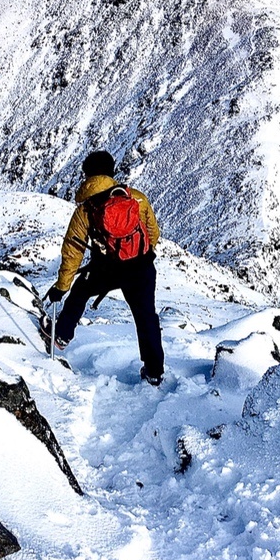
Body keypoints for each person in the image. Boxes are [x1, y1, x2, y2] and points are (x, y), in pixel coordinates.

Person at [42, 150, 165, 385]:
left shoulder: (86, 209)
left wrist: (61, 287)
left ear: (87, 175)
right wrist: (137, 254)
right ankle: (154, 371)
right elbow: (153, 233)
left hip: (108, 269)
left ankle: (62, 334)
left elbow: (72, 251)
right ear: (112, 172)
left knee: (80, 290)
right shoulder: (136, 198)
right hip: (141, 268)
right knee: (146, 316)